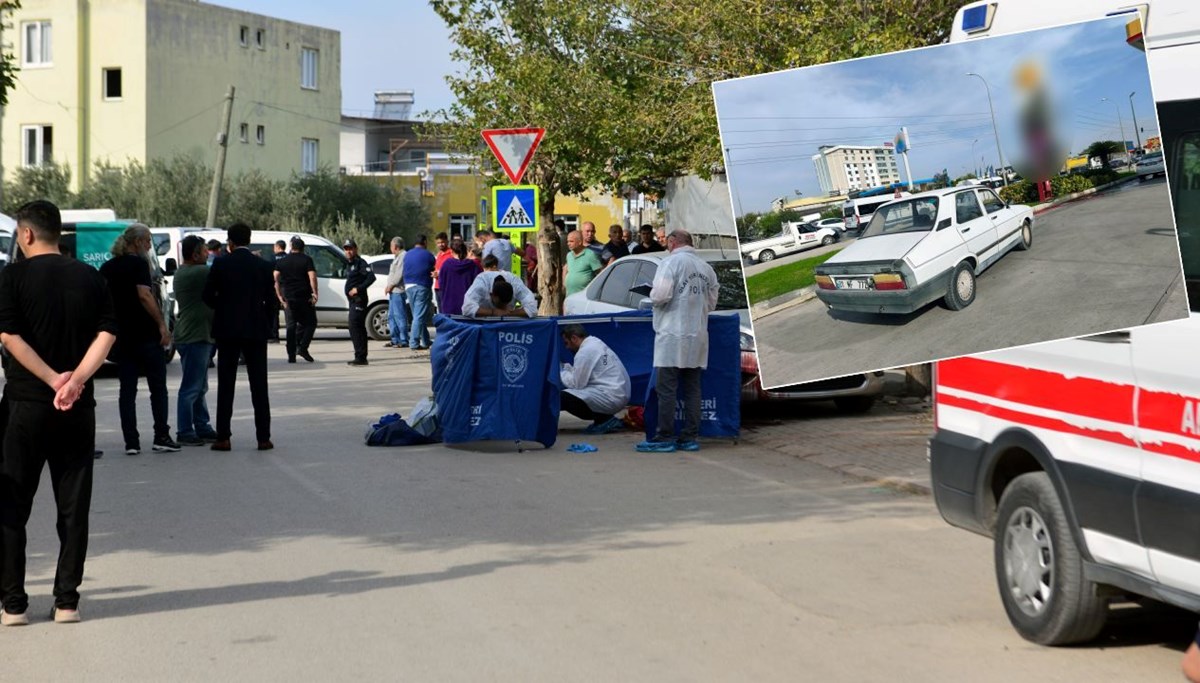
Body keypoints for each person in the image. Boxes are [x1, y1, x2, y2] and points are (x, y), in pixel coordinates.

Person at [0, 199, 117, 625]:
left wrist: (53, 380)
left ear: (27, 234)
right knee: (73, 506)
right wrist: (76, 381)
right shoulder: (90, 276)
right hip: (77, 408)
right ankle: (67, 601)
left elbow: (9, 336)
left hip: (25, 405)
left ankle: (13, 604)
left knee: (12, 504)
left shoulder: (12, 277)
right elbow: (107, 333)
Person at [635, 229, 718, 454]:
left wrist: (651, 294)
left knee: (666, 389)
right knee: (692, 389)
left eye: (666, 242)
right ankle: (689, 437)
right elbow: (711, 304)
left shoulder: (670, 264)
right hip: (697, 335)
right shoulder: (706, 268)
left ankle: (664, 436)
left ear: (672, 243)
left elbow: (660, 296)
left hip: (672, 335)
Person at [100, 223, 179, 455]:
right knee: (157, 388)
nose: (149, 245)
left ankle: (131, 442)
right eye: (147, 241)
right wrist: (162, 325)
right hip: (145, 335)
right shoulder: (139, 265)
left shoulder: (107, 267)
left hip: (122, 337)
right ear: (137, 243)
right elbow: (144, 295)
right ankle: (161, 436)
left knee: (127, 391)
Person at [203, 222, 275, 451]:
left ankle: (223, 437)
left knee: (226, 384)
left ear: (230, 242)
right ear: (249, 239)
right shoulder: (263, 265)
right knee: (259, 384)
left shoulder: (221, 264)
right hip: (255, 330)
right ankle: (263, 437)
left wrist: (223, 308)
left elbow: (207, 295)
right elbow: (272, 301)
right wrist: (265, 321)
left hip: (227, 330)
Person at [173, 235, 220, 447]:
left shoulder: (185, 271)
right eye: (204, 252)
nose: (207, 254)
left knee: (199, 386)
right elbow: (220, 273)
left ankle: (202, 426)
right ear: (194, 254)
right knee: (192, 387)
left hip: (194, 334)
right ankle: (185, 430)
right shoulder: (199, 272)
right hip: (195, 336)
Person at [559, 324, 630, 435]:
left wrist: (561, 373)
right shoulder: (595, 343)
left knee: (561, 397)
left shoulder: (585, 351)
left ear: (574, 338)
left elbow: (576, 384)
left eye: (566, 343)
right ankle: (603, 419)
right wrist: (567, 369)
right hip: (616, 394)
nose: (567, 348)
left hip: (611, 396)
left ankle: (604, 420)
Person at [274, 236, 318, 363]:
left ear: (291, 247)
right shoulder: (307, 260)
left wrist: (279, 296)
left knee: (291, 326)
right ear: (303, 248)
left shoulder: (282, 261)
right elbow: (312, 277)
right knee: (311, 323)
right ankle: (303, 347)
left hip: (288, 298)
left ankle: (291, 355)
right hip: (304, 297)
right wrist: (315, 293)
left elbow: (275, 279)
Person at [461, 255, 538, 318]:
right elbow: (467, 308)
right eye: (500, 305)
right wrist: (493, 312)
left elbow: (532, 309)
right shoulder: (482, 282)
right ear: (491, 295)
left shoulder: (515, 282)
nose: (503, 309)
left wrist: (510, 313)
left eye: (506, 304)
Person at [342, 238, 376, 366]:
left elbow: (371, 277)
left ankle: (361, 356)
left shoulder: (360, 263)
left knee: (355, 326)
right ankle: (360, 356)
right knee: (357, 327)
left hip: (359, 300)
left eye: (350, 249)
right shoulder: (349, 263)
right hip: (352, 301)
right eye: (346, 249)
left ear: (355, 249)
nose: (348, 251)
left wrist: (358, 289)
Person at [402, 234, 437, 351]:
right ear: (425, 242)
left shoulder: (407, 254)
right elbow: (433, 268)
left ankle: (426, 340)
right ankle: (414, 342)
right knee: (419, 316)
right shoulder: (428, 255)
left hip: (408, 287)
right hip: (422, 286)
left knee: (417, 315)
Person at [436, 240, 482, 316]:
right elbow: (479, 286)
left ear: (451, 251)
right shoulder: (473, 265)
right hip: (469, 306)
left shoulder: (446, 265)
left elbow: (441, 284)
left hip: (449, 305)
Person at [384, 236, 409, 349]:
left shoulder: (403, 256)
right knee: (392, 316)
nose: (390, 248)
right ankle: (395, 339)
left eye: (391, 246)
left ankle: (403, 339)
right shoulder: (397, 257)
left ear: (395, 246)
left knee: (400, 316)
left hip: (398, 290)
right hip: (393, 291)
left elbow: (399, 274)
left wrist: (391, 285)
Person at [564, 230, 603, 296]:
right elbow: (567, 270)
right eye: (568, 241)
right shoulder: (569, 255)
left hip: (584, 297)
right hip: (570, 296)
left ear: (579, 242)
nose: (568, 243)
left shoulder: (590, 254)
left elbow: (600, 273)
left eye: (571, 241)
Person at [266, 240, 286, 342]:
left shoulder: (272, 258)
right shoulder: (288, 257)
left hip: (275, 287)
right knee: (289, 312)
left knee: (274, 313)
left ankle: (274, 335)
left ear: (277, 247)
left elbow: (270, 274)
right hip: (287, 287)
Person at [431, 232, 452, 312]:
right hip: (437, 286)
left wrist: (439, 273)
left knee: (446, 310)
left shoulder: (451, 254)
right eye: (438, 243)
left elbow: (451, 270)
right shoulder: (439, 254)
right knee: (440, 310)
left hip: (446, 286)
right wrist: (435, 273)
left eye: (442, 242)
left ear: (447, 241)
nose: (440, 244)